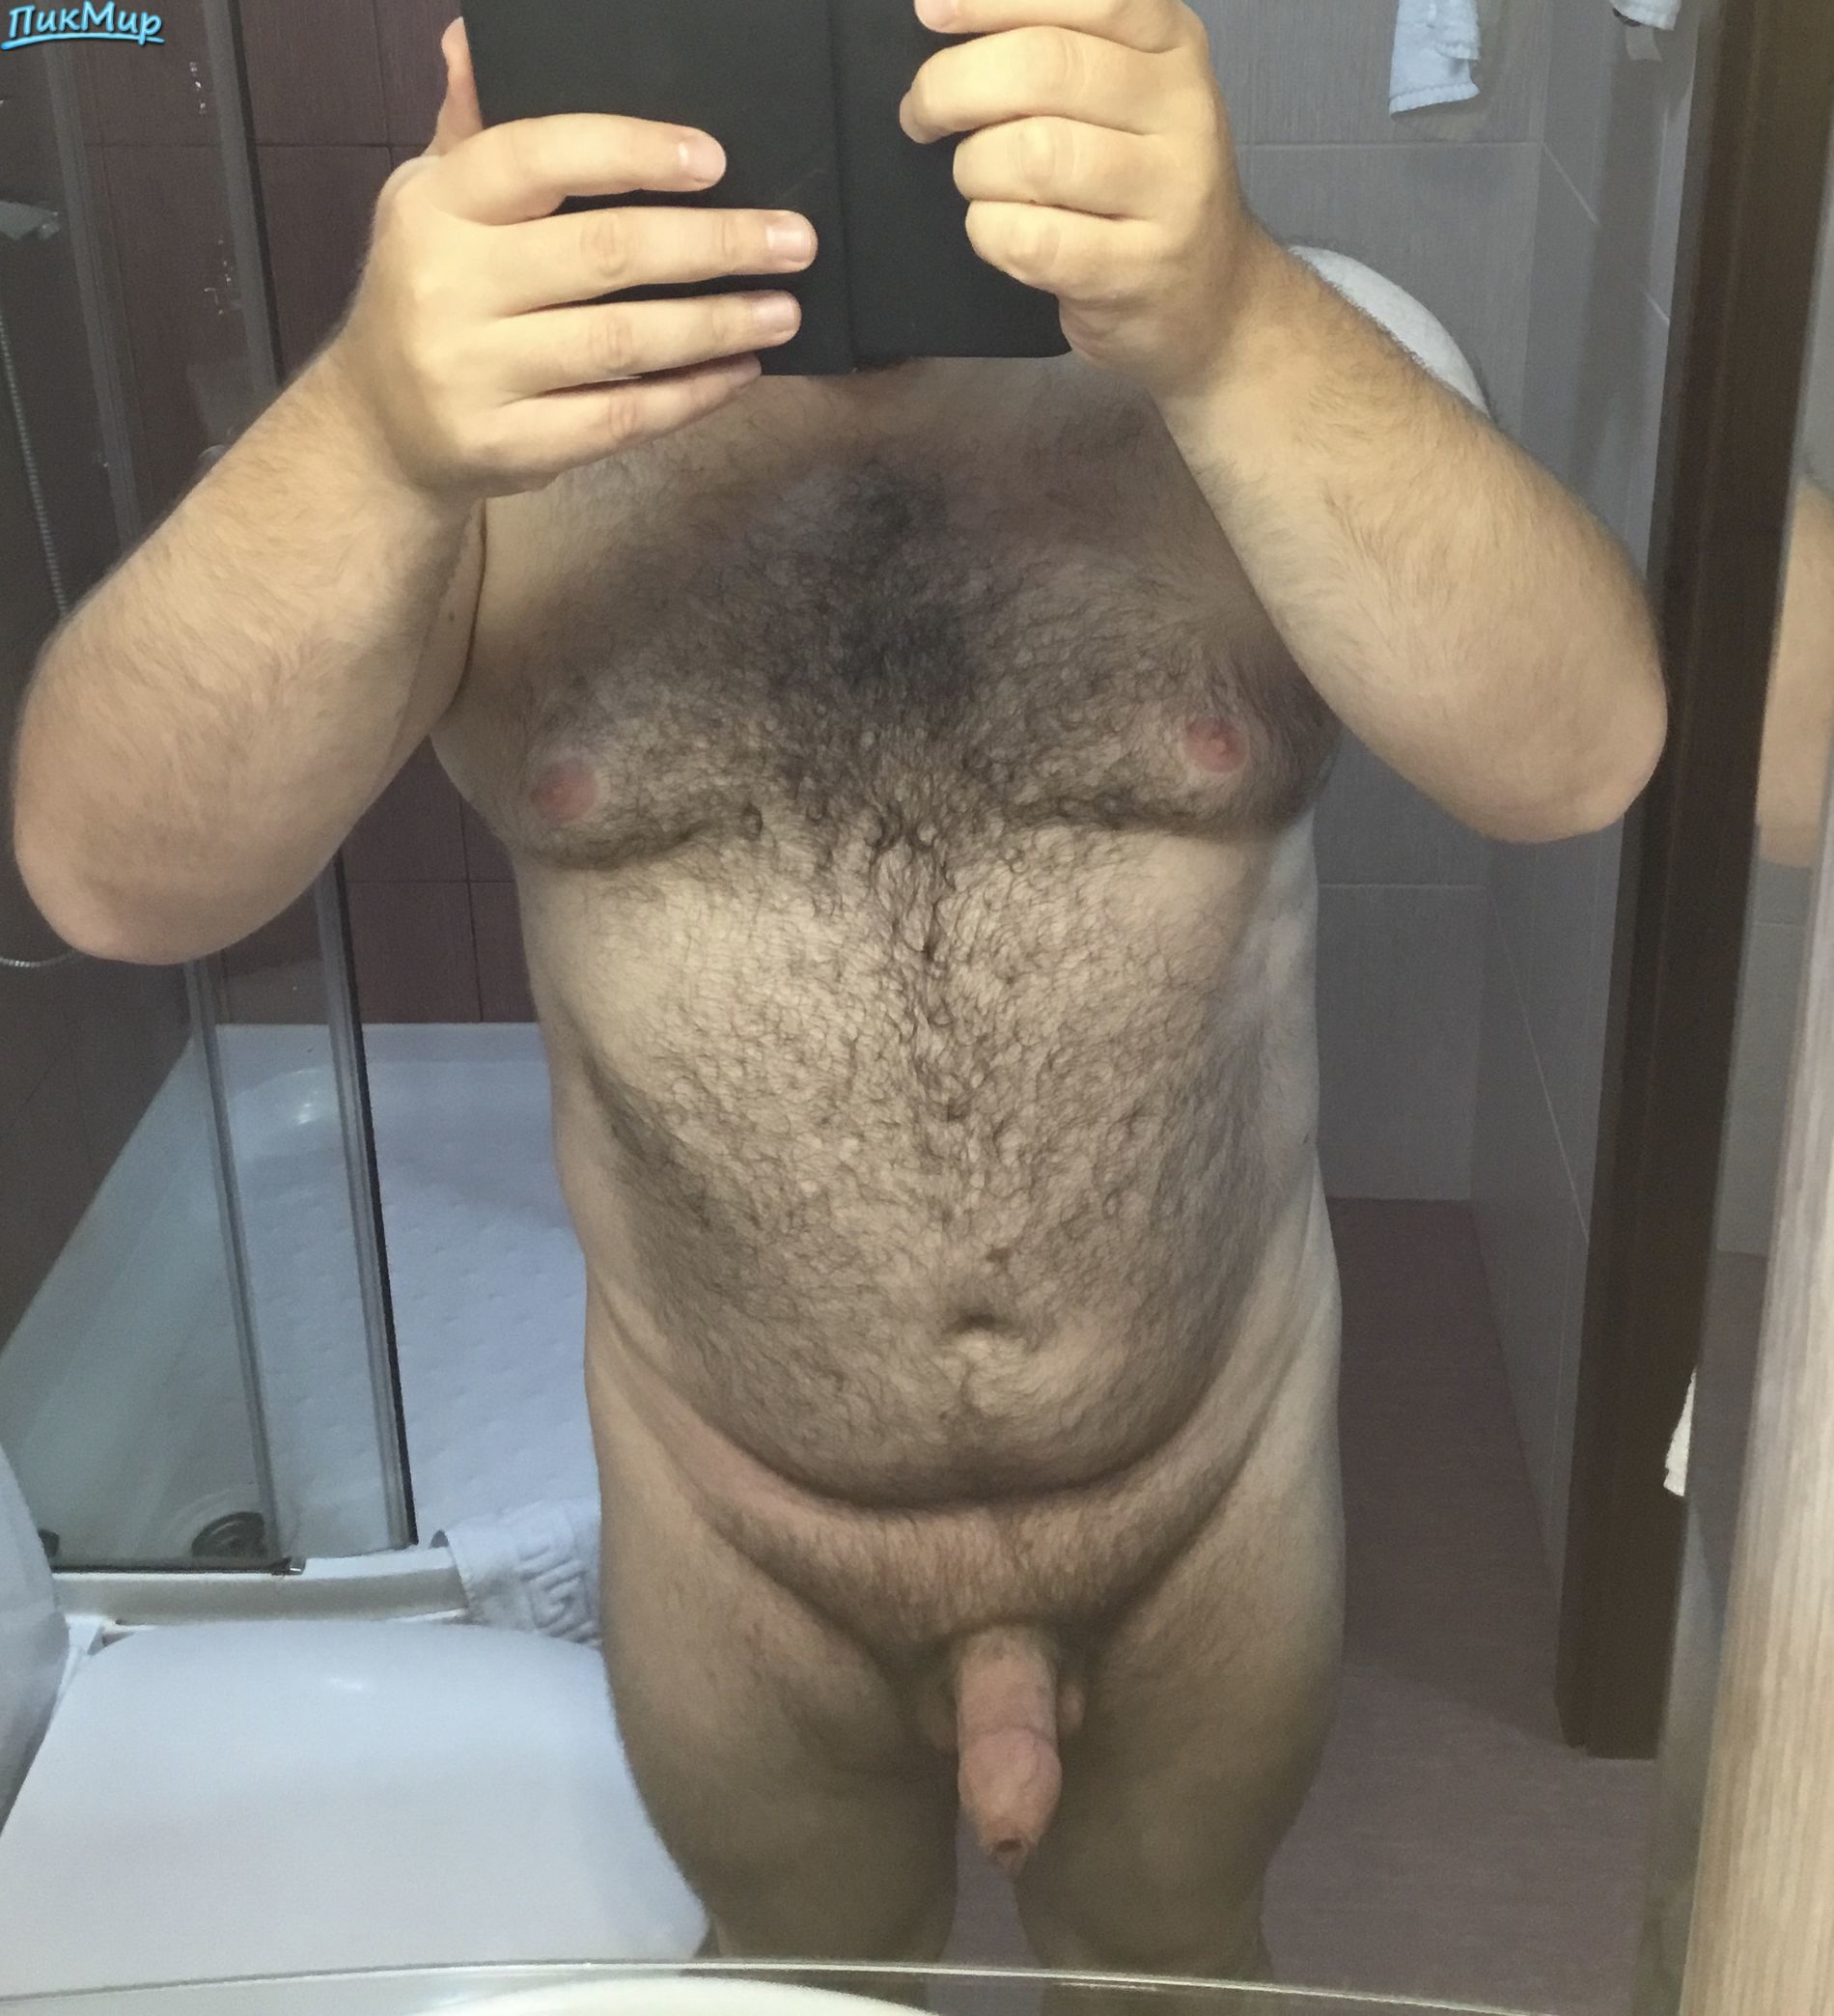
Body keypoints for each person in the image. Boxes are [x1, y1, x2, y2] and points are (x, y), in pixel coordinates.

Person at [11, 0, 1665, 1981]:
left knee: (1172, 1969)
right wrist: (371, 431)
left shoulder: (1283, 357)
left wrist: (1227, 313)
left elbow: (1576, 755)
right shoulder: (473, 451)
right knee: (809, 1983)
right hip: (741, 1539)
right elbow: (114, 875)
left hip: (1200, 1499)